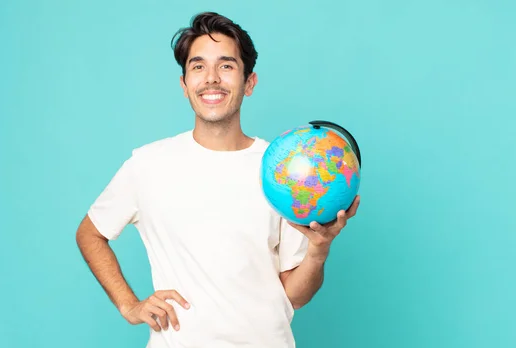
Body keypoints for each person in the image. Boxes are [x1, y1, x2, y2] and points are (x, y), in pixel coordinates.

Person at [75, 11, 360, 348]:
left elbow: (295, 296)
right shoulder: (147, 164)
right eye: (198, 66)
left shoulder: (281, 171)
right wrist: (129, 305)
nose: (211, 78)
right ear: (184, 85)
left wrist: (318, 250)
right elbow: (90, 233)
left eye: (226, 65)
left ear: (249, 82)